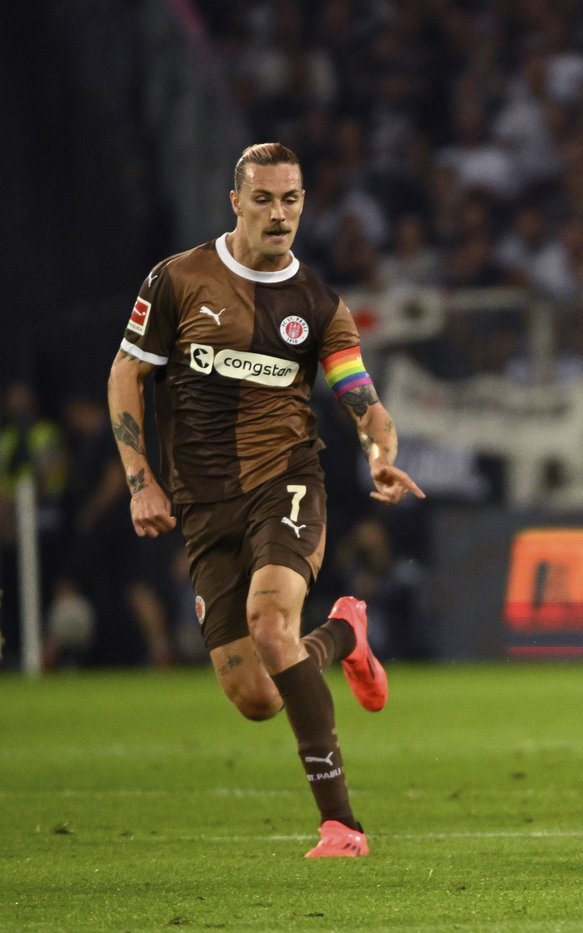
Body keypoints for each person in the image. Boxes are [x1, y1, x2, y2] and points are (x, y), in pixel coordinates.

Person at [107, 143, 425, 858]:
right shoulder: (179, 279)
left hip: (285, 481)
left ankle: (342, 824)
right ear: (236, 202)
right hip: (200, 502)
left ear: (304, 202)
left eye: (291, 199)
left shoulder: (317, 304)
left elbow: (362, 399)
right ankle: (345, 632)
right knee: (257, 694)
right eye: (264, 199)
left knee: (271, 622)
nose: (279, 214)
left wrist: (381, 455)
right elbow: (128, 372)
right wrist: (140, 476)